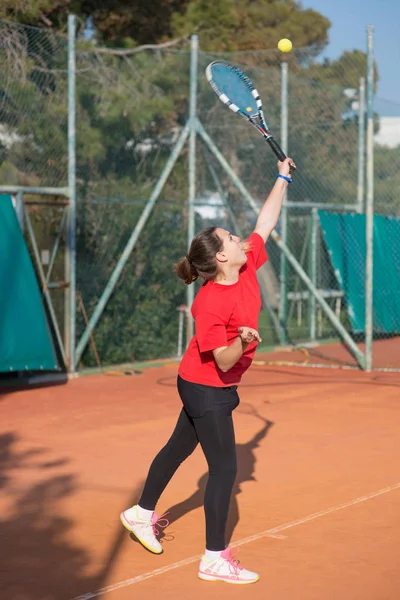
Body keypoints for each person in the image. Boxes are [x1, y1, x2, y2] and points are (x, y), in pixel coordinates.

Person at [120, 157, 296, 585]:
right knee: (225, 471)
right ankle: (214, 558)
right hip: (206, 386)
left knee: (180, 448)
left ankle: (140, 513)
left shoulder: (247, 264)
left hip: (205, 383)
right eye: (232, 238)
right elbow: (222, 359)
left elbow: (266, 221)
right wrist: (246, 340)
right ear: (221, 256)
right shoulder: (210, 303)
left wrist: (282, 177)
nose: (241, 239)